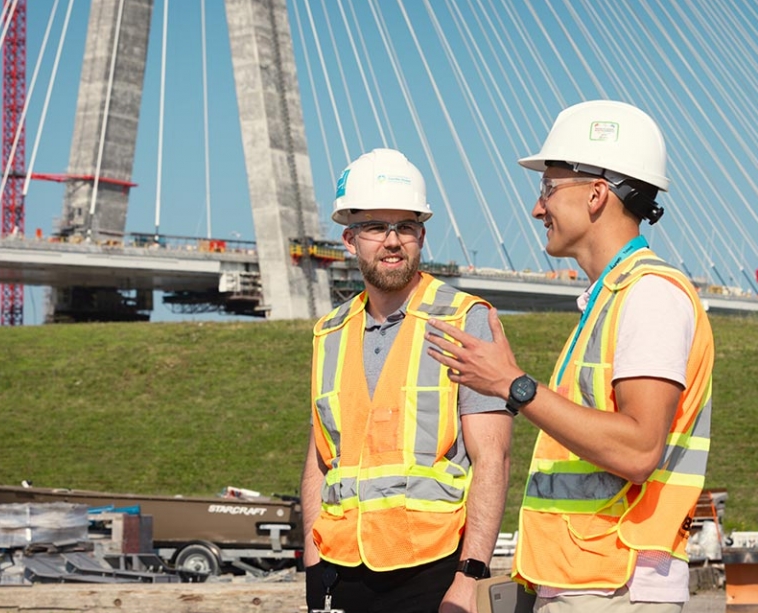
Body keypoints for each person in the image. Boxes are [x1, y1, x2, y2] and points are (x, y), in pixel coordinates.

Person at [426, 100, 715, 612]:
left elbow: (638, 451)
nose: (538, 209)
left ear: (598, 193)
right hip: (587, 580)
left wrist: (514, 387)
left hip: (614, 585)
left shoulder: (648, 296)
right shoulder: (612, 299)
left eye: (548, 189)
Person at [301, 148, 513, 613]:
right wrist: (314, 567)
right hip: (341, 567)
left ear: (421, 236)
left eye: (407, 227)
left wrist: (470, 576)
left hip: (434, 568)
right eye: (376, 226)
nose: (392, 240)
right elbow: (321, 458)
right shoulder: (329, 333)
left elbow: (492, 458)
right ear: (349, 239)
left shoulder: (464, 319)